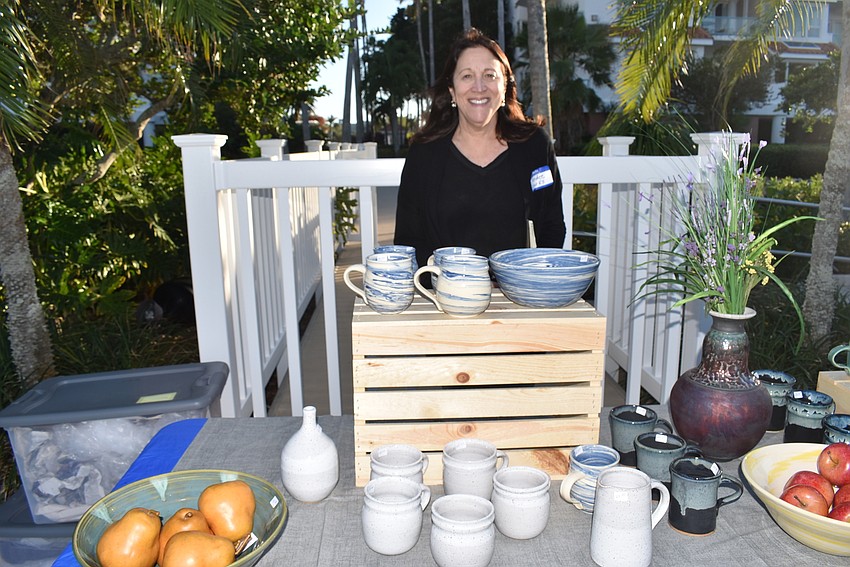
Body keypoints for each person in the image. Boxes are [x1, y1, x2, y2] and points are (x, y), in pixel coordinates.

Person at [394, 28, 566, 270]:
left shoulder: (534, 146)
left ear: (505, 86)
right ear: (452, 91)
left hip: (515, 297)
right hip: (444, 298)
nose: (479, 87)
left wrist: (530, 281)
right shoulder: (423, 155)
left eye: (489, 75)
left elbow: (551, 225)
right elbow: (407, 240)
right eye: (466, 76)